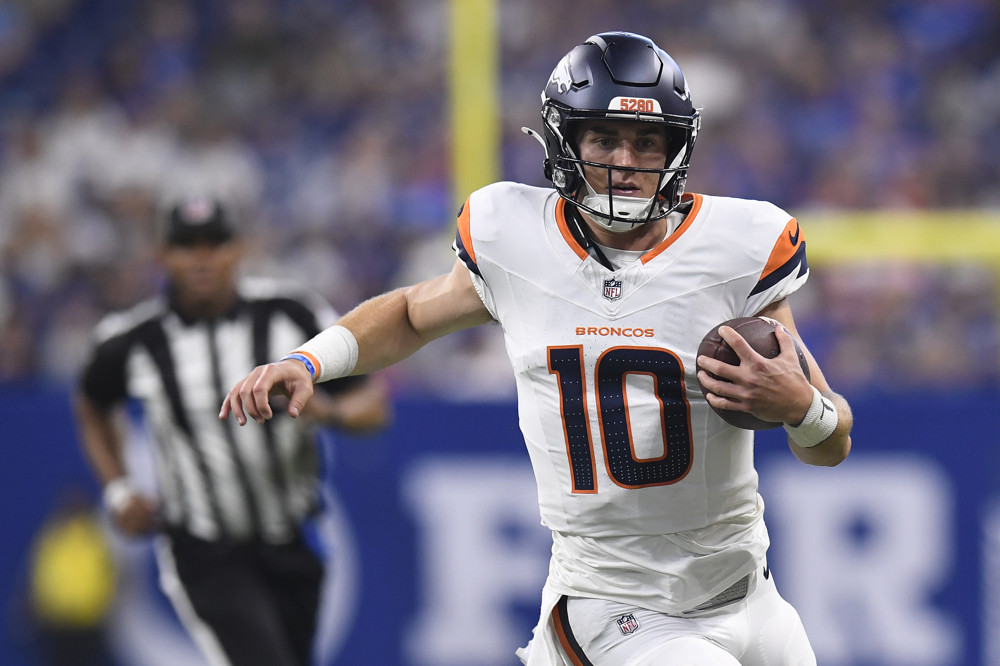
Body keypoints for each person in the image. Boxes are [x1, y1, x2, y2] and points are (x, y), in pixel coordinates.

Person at [221, 31, 853, 666]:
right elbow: (411, 314)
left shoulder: (740, 247)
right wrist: (309, 360)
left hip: (752, 598)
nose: (624, 158)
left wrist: (803, 408)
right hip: (618, 608)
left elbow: (832, 444)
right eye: (603, 138)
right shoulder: (514, 237)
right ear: (565, 141)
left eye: (646, 141)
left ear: (676, 149)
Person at [74, 195, 390, 666]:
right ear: (163, 255)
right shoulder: (133, 340)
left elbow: (373, 406)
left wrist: (328, 412)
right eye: (186, 245)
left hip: (295, 541)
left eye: (215, 243)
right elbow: (92, 405)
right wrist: (119, 489)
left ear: (238, 249)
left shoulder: (292, 315)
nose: (202, 258)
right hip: (206, 550)